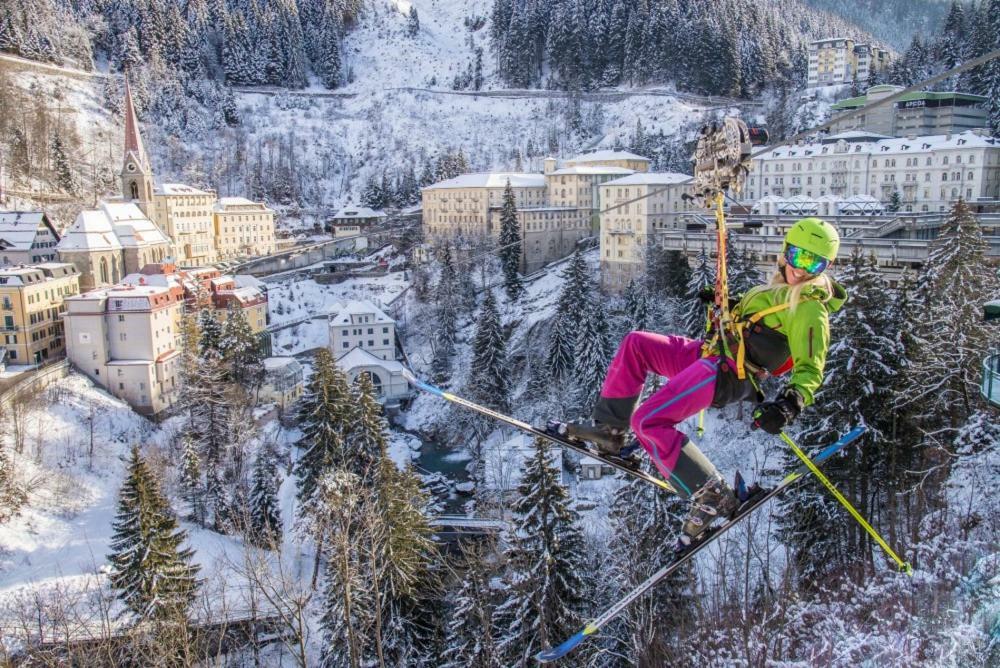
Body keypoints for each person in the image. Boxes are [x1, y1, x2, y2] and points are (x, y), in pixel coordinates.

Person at [567, 218, 847, 545]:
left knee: (649, 421)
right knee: (636, 344)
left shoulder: (810, 307)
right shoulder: (778, 289)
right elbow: (763, 321)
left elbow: (811, 365)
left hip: (729, 373)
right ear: (786, 253)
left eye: (815, 263)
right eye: (800, 257)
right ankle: (609, 432)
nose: (802, 270)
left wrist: (790, 403)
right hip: (713, 354)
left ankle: (711, 494)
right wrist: (731, 308)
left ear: (825, 267)